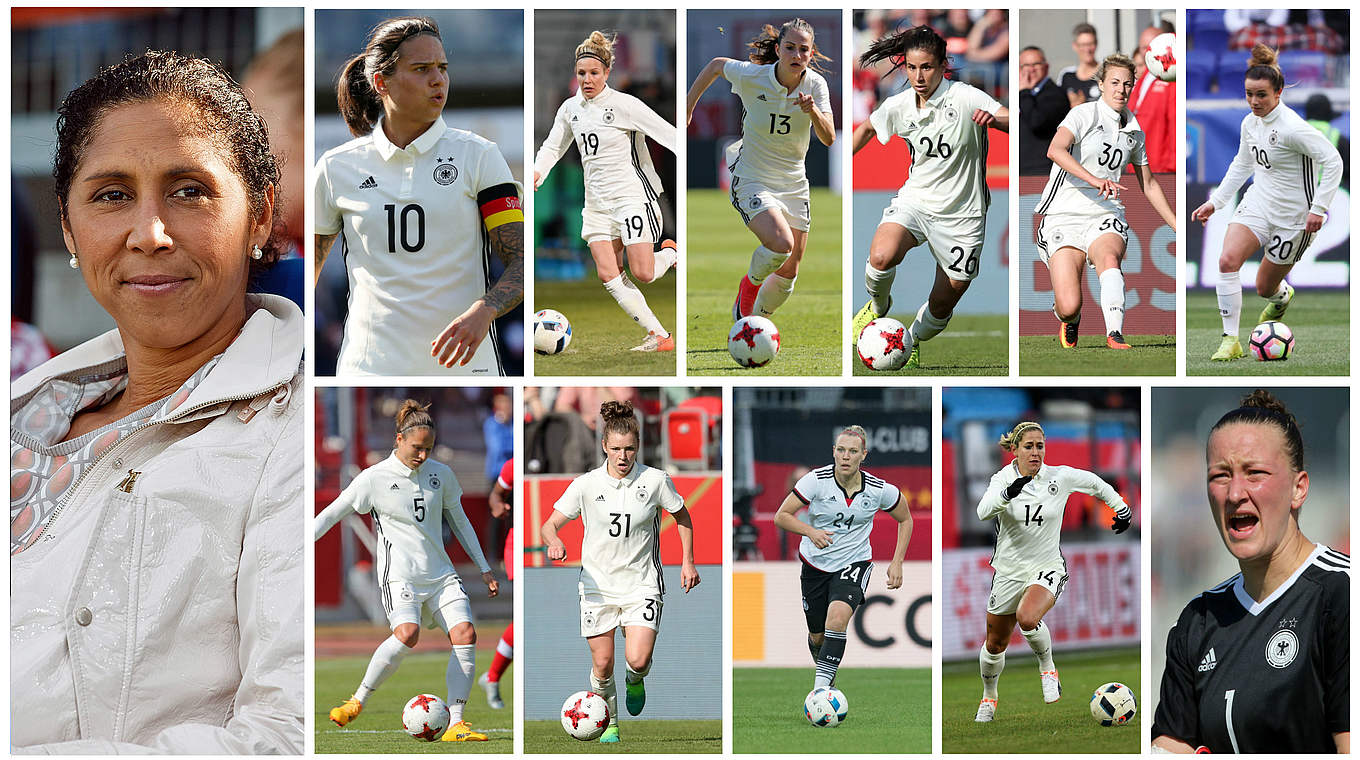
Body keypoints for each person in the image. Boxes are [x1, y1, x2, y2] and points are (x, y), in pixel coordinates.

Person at [10, 50, 304, 753]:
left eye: (189, 191)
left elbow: (286, 735)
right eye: (111, 195)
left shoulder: (291, 432)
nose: (150, 233)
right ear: (69, 228)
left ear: (261, 216)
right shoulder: (29, 409)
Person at [314, 17, 523, 376]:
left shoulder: (479, 156)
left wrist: (484, 309)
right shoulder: (336, 168)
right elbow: (308, 274)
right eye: (422, 68)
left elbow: (520, 262)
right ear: (381, 82)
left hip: (466, 369)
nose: (438, 79)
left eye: (442, 68)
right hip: (367, 370)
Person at [1151, 391, 1349, 753]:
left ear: (1298, 488)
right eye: (1220, 475)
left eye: (1255, 473)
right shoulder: (1197, 621)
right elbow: (1169, 746)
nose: (1235, 493)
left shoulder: (1341, 597)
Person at [314, 400, 499, 742]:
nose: (423, 456)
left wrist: (485, 568)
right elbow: (332, 513)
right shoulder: (374, 479)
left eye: (428, 449)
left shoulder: (440, 474)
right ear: (399, 439)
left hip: (441, 575)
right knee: (408, 634)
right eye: (417, 448)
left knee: (466, 635)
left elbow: (460, 521)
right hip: (400, 576)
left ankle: (456, 724)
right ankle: (356, 702)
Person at [850, 25, 1009, 368]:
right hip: (916, 201)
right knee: (881, 255)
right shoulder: (901, 104)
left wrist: (995, 120)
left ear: (941, 66)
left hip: (964, 215)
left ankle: (912, 339)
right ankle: (877, 308)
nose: (918, 76)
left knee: (943, 303)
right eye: (911, 67)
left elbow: (1010, 116)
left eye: (926, 67)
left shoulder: (965, 96)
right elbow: (865, 128)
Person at [540, 400, 700, 743]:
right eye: (616, 449)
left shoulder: (656, 481)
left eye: (629, 449)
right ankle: (610, 723)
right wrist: (553, 540)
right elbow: (549, 525)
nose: (623, 456)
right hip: (596, 586)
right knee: (602, 665)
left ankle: (636, 680)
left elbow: (683, 516)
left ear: (638, 446)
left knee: (638, 660)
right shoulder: (586, 484)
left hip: (642, 583)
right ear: (604, 447)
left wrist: (688, 561)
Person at [1191, 44, 1343, 361]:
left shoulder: (1293, 128)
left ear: (1278, 92)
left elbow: (1334, 161)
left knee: (1264, 288)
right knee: (1227, 261)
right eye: (1249, 94)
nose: (1254, 102)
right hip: (1258, 205)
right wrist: (1216, 202)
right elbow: (1242, 164)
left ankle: (1282, 295)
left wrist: (1318, 208)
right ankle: (1230, 341)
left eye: (1261, 95)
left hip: (1294, 220)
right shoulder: (1250, 124)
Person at [974, 421, 1132, 722]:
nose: (1036, 452)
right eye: (1029, 446)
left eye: (1040, 446)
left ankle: (1048, 669)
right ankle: (989, 698)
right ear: (1015, 450)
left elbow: (1096, 484)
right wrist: (1008, 493)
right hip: (1008, 571)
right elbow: (983, 511)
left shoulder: (1058, 476)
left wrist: (1120, 507)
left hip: (1047, 565)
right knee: (995, 644)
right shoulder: (1002, 479)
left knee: (1028, 616)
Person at [534, 31, 679, 352]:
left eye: (594, 73)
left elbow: (671, 136)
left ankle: (671, 253)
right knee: (607, 273)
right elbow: (552, 146)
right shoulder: (570, 109)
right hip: (596, 203)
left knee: (642, 272)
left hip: (632, 198)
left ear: (607, 73)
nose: (587, 79)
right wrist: (537, 172)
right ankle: (660, 336)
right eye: (581, 74)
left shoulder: (625, 105)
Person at [686, 18, 836, 323]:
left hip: (794, 182)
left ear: (810, 53)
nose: (797, 54)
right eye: (790, 47)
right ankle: (748, 289)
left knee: (789, 273)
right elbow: (716, 65)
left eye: (803, 49)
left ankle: (756, 321)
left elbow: (829, 137)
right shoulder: (753, 76)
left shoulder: (815, 85)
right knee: (781, 244)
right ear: (779, 49)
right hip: (753, 177)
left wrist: (813, 112)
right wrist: (687, 107)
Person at [1036, 53, 1176, 350]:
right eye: (1114, 83)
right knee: (1069, 305)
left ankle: (1114, 333)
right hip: (1064, 213)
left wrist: (1176, 225)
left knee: (1109, 258)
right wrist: (1095, 180)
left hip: (1106, 212)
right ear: (1101, 84)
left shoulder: (1134, 130)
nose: (1121, 90)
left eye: (1127, 84)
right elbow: (1055, 150)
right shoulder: (1083, 114)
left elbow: (1148, 183)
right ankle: (1069, 319)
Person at [773, 426, 913, 689]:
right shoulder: (815, 480)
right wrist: (810, 531)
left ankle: (820, 691)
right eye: (841, 450)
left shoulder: (879, 489)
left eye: (852, 451)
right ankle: (826, 676)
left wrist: (897, 562)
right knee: (817, 637)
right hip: (815, 563)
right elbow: (781, 516)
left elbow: (905, 518)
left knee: (836, 619)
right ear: (833, 452)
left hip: (854, 562)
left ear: (863, 455)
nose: (845, 456)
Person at [479, 456, 515, 709]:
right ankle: (491, 677)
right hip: (520, 545)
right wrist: (497, 506)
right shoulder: (513, 465)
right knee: (526, 617)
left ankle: (491, 678)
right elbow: (496, 494)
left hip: (556, 542)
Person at [1131, 25, 1176, 174]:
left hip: (1159, 172)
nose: (1146, 52)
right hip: (1136, 169)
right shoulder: (1145, 76)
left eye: (1149, 47)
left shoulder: (1170, 78)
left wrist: (1171, 168)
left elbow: (1175, 126)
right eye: (1143, 48)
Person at [1018, 46, 1070, 176]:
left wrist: (1024, 92)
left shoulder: (1055, 94)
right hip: (1021, 169)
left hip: (1042, 171)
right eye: (1026, 65)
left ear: (1046, 67)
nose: (1031, 69)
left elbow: (1037, 122)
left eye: (1036, 64)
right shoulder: (1019, 93)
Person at [1058, 23, 1101, 107]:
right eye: (1083, 45)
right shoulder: (1066, 75)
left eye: (1090, 44)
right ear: (1075, 46)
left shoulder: (1107, 73)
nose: (1087, 49)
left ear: (1096, 44)